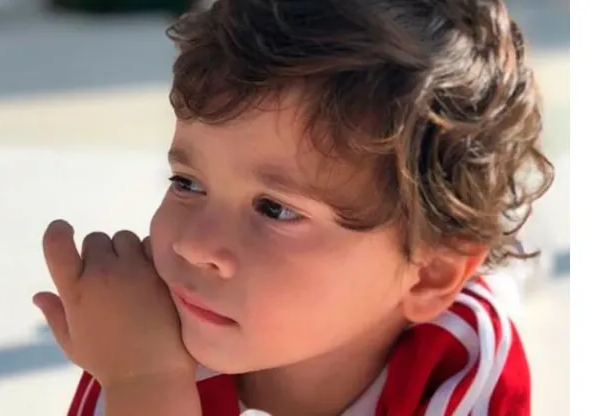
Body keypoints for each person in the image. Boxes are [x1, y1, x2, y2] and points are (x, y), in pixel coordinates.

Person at [33, 0, 554, 414]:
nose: (193, 246)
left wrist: (143, 387)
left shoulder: (461, 361)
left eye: (275, 210)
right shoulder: (146, 333)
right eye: (187, 182)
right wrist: (143, 380)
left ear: (428, 276)